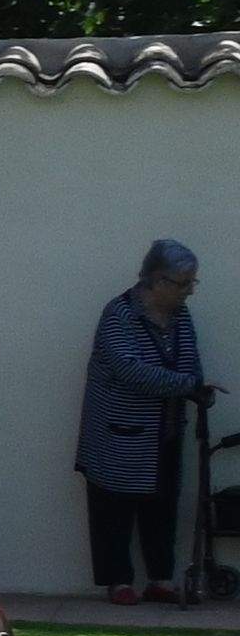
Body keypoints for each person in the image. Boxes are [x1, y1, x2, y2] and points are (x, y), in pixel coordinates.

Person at [80, 239, 205, 603]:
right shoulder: (119, 314)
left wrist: (191, 382)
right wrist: (188, 385)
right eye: (183, 284)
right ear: (158, 281)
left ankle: (160, 578)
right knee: (114, 506)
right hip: (117, 430)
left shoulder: (181, 316)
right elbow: (131, 371)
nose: (188, 292)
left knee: (163, 504)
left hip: (164, 429)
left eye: (192, 284)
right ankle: (118, 581)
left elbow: (190, 362)